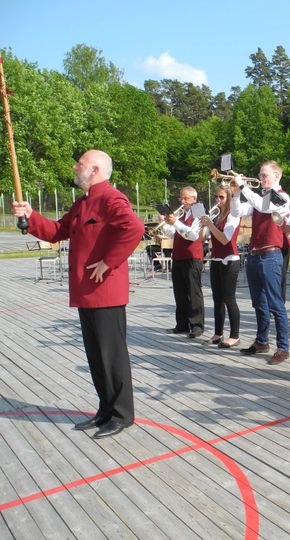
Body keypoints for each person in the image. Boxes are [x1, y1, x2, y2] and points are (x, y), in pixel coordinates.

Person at [13, 150, 144, 439]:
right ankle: (106, 410)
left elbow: (134, 227)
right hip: (87, 292)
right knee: (96, 357)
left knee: (112, 357)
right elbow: (58, 230)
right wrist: (31, 216)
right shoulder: (83, 202)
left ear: (95, 170)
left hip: (105, 292)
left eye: (80, 163)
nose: (75, 167)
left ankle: (121, 415)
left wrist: (109, 261)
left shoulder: (110, 198)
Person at [231, 160, 290, 365]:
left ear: (277, 176)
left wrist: (243, 186)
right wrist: (235, 194)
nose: (261, 178)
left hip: (270, 254)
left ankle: (283, 347)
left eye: (265, 175)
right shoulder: (259, 196)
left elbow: (262, 206)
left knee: (275, 302)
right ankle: (262, 341)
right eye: (260, 175)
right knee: (258, 301)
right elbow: (237, 212)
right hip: (255, 254)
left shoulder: (281, 196)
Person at [200, 184, 242, 349]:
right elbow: (203, 238)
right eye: (216, 196)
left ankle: (235, 336)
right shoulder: (216, 215)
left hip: (230, 259)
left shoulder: (233, 215)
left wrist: (210, 224)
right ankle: (218, 333)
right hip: (216, 259)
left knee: (229, 298)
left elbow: (225, 239)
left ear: (229, 198)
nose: (218, 200)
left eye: (221, 197)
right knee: (217, 298)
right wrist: (203, 224)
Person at [161, 186, 205, 339]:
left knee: (194, 292)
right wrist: (165, 224)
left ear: (194, 199)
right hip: (179, 257)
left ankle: (197, 325)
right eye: (181, 198)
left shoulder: (199, 211)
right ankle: (182, 324)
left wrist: (176, 223)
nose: (182, 201)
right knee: (179, 293)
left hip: (192, 257)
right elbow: (175, 234)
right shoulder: (182, 214)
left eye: (185, 198)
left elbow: (192, 235)